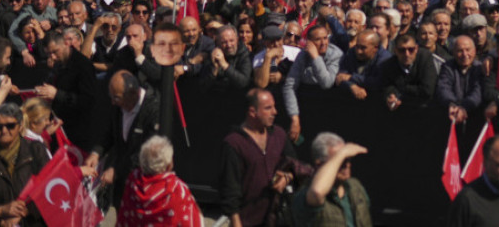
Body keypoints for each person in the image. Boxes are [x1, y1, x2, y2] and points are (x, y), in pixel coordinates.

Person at [220, 88, 305, 227]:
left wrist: (286, 177)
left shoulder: (279, 134)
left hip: (278, 219)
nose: (275, 112)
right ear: (253, 112)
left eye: (274, 107)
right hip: (248, 220)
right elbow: (230, 188)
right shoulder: (234, 143)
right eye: (268, 108)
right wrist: (236, 222)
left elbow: (295, 166)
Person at [86, 69, 160, 205]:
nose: (113, 102)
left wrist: (116, 170)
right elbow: (109, 132)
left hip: (143, 182)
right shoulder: (118, 107)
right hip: (122, 184)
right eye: (111, 96)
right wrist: (96, 152)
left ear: (133, 94)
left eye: (116, 97)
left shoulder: (153, 110)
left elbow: (146, 152)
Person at [0, 102, 49, 226]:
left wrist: (26, 211)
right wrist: (0, 211)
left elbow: (50, 187)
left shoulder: (36, 150)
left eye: (10, 126)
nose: (4, 130)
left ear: (20, 126)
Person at [118, 135, 203, 227]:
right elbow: (192, 223)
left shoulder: (133, 181)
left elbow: (123, 218)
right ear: (169, 165)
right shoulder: (177, 190)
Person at [291, 132, 371, 227]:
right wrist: (342, 153)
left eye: (348, 159)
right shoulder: (306, 194)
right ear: (319, 164)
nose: (347, 165)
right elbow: (317, 192)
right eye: (340, 160)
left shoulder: (354, 186)